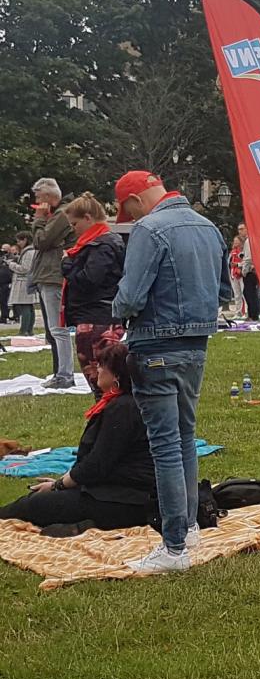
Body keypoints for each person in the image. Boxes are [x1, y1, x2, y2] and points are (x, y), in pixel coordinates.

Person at [111, 170, 231, 574]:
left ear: (133, 202)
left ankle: (174, 547)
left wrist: (115, 311)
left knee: (163, 446)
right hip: (195, 347)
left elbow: (130, 296)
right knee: (184, 438)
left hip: (155, 345)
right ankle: (190, 526)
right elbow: (225, 292)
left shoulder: (148, 229)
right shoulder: (208, 226)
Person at [0, 342, 157, 535]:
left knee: (33, 504)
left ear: (116, 375)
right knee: (41, 501)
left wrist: (59, 485)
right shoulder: (125, 404)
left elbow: (97, 464)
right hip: (118, 493)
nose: (96, 370)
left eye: (101, 365)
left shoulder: (123, 408)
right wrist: (66, 483)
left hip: (122, 499)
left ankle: (89, 524)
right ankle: (83, 525)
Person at [61, 194, 126, 398]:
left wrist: (67, 265)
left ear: (88, 218)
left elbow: (89, 280)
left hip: (98, 318)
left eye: (75, 223)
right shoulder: (101, 243)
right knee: (99, 377)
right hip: (96, 316)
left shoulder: (102, 245)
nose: (73, 229)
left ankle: (107, 417)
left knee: (101, 377)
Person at [29, 177, 76, 389]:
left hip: (53, 275)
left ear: (48, 197)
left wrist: (39, 219)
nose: (38, 203)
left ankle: (64, 374)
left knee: (58, 329)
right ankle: (60, 372)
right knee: (53, 329)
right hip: (49, 274)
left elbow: (41, 241)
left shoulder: (61, 214)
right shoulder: (59, 214)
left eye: (39, 198)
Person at [6, 233, 37, 335]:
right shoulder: (31, 251)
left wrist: (11, 264)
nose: (18, 243)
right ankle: (29, 330)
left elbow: (25, 268)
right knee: (29, 307)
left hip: (24, 282)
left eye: (19, 241)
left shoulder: (29, 252)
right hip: (28, 281)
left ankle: (24, 330)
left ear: (25, 240)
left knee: (25, 306)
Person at [238, 221, 260, 321]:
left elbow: (249, 258)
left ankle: (253, 315)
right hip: (253, 269)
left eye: (242, 229)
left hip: (250, 271)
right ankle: (252, 314)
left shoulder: (249, 241)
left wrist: (244, 270)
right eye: (239, 230)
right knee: (250, 293)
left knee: (249, 293)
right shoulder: (253, 240)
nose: (240, 232)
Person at [229, 233, 244, 316]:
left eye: (237, 241)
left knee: (244, 293)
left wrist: (237, 264)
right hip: (233, 274)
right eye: (234, 241)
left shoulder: (243, 251)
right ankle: (238, 311)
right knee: (237, 294)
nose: (235, 243)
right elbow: (228, 262)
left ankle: (246, 311)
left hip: (241, 274)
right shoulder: (232, 252)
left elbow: (246, 261)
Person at [0, 248, 11, 324]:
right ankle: (4, 317)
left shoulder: (5, 263)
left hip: (4, 284)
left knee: (4, 302)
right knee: (4, 302)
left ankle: (4, 317)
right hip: (4, 283)